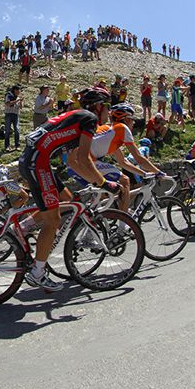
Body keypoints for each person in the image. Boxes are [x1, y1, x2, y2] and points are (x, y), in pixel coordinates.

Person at [17, 88, 119, 292]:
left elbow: (73, 161)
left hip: (35, 159)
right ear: (98, 106)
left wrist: (93, 179)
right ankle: (37, 272)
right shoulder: (89, 119)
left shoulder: (78, 117)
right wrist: (103, 183)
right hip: (38, 162)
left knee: (68, 199)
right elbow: (82, 159)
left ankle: (26, 225)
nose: (109, 112)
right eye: (107, 107)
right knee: (52, 219)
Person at [3, 84, 22, 151]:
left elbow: (21, 107)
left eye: (19, 90)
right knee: (7, 130)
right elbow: (8, 104)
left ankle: (17, 145)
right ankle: (7, 146)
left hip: (16, 114)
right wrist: (16, 101)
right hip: (8, 114)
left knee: (17, 130)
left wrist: (21, 102)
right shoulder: (8, 95)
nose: (18, 91)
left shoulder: (18, 97)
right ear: (14, 90)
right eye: (17, 90)